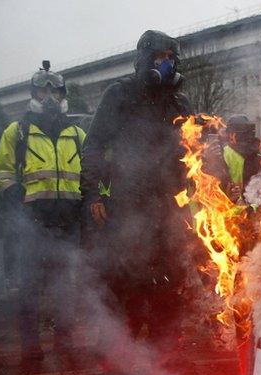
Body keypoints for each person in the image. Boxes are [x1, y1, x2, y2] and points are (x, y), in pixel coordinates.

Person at [81, 30, 194, 351]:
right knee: (126, 280)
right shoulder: (119, 95)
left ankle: (165, 357)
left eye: (171, 58)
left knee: (170, 285)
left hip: (169, 208)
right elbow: (93, 147)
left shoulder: (179, 100)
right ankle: (118, 358)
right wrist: (93, 194)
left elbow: (191, 153)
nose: (167, 64)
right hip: (127, 204)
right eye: (160, 58)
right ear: (144, 60)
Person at [0, 61, 86, 362]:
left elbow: (92, 173)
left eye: (54, 92)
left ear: (62, 95)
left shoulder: (76, 134)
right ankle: (31, 346)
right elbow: (1, 172)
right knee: (29, 286)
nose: (49, 98)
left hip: (68, 222)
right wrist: (12, 193)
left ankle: (64, 342)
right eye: (43, 92)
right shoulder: (17, 132)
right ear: (33, 93)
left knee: (65, 287)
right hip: (32, 223)